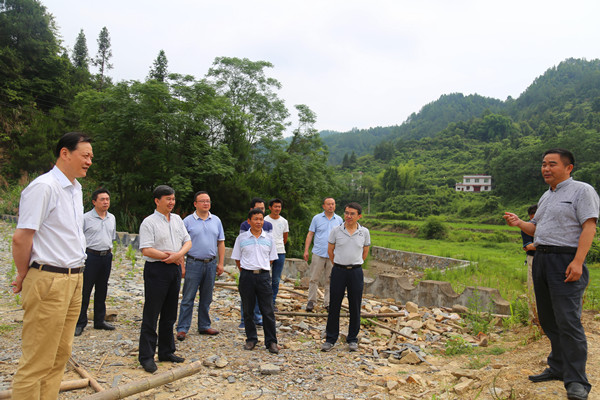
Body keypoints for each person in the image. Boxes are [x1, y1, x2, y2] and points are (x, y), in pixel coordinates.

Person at [504, 148, 598, 400]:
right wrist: (519, 223)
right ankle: (557, 367)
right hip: (542, 258)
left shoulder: (582, 191)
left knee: (568, 321)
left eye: (552, 164)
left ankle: (577, 381)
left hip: (565, 259)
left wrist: (578, 261)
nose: (546, 168)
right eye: (543, 164)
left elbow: (589, 226)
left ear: (569, 168)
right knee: (547, 318)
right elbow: (536, 229)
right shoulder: (546, 196)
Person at [11, 132, 93, 399]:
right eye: (85, 155)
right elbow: (22, 237)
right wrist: (24, 273)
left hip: (74, 278)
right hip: (49, 279)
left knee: (60, 354)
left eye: (91, 157)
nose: (89, 161)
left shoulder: (75, 188)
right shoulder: (44, 187)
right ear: (65, 153)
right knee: (37, 359)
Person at [138, 185, 191, 373]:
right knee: (152, 314)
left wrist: (178, 255)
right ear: (157, 201)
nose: (171, 202)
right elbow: (146, 249)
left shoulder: (177, 219)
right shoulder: (149, 222)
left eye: (173, 199)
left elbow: (188, 241)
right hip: (157, 269)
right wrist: (166, 256)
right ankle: (146, 356)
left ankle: (167, 351)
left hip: (174, 268)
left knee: (169, 314)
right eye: (168, 199)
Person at [321, 202, 370, 352]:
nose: (348, 216)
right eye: (346, 213)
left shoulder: (364, 232)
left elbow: (365, 251)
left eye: (352, 214)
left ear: (359, 216)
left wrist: (355, 263)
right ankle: (330, 338)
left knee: (355, 305)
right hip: (339, 271)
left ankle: (352, 339)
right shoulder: (336, 231)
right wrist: (338, 264)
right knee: (334, 304)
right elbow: (331, 251)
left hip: (355, 272)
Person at [176, 191, 225, 341]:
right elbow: (180, 245)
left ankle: (204, 325)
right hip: (193, 263)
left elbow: (221, 242)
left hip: (210, 264)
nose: (206, 203)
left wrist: (221, 263)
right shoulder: (187, 222)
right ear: (195, 204)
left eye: (208, 201)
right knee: (188, 297)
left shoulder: (216, 220)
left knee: (207, 297)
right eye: (202, 201)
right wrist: (182, 265)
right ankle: (183, 328)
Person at [231, 208, 280, 354]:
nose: (259, 222)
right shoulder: (241, 238)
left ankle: (271, 342)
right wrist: (247, 271)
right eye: (256, 219)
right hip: (246, 276)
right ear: (249, 221)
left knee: (268, 310)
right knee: (248, 310)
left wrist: (261, 269)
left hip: (264, 276)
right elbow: (237, 259)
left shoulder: (269, 238)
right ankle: (251, 339)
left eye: (261, 219)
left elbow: (271, 259)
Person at [75, 188, 117, 336]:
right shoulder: (85, 218)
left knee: (102, 289)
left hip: (106, 256)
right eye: (102, 199)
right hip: (90, 256)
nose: (106, 202)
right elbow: (78, 238)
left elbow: (111, 237)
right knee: (85, 290)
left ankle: (99, 320)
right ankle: (80, 322)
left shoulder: (111, 218)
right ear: (94, 202)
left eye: (107, 199)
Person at [303, 197, 343, 312]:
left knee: (330, 280)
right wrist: (306, 250)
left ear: (335, 206)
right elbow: (310, 234)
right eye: (328, 204)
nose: (331, 206)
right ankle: (311, 301)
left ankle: (328, 303)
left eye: (333, 204)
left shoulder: (339, 220)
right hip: (318, 253)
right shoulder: (316, 218)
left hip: (333, 255)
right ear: (323, 206)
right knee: (314, 278)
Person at [238, 197, 273, 328]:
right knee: (247, 300)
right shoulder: (244, 227)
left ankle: (258, 318)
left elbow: (269, 253)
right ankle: (245, 322)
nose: (260, 212)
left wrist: (263, 265)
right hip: (247, 271)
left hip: (262, 271)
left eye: (262, 210)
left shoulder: (268, 226)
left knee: (266, 303)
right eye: (257, 209)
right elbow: (240, 254)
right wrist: (246, 268)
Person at [264, 198, 289, 309]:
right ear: (270, 207)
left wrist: (277, 246)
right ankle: (263, 300)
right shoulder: (265, 220)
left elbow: (285, 238)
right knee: (264, 277)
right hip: (265, 252)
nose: (277, 209)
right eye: (275, 206)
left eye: (279, 207)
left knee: (276, 279)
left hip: (280, 252)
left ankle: (272, 301)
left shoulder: (284, 221)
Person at [521, 203, 539, 327]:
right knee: (532, 288)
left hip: (547, 258)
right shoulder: (527, 228)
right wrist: (545, 245)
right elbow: (527, 246)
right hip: (533, 259)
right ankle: (533, 319)